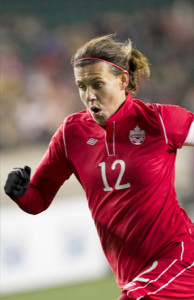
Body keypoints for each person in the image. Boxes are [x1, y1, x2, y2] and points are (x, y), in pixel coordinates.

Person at [4, 34, 194, 300]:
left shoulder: (158, 120)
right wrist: (20, 192)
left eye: (97, 84)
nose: (89, 95)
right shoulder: (72, 133)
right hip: (134, 273)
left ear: (123, 81)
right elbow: (38, 199)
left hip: (179, 258)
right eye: (81, 86)